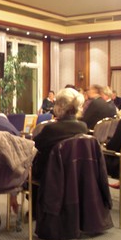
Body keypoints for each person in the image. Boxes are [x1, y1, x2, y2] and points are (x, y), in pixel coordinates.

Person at [32, 88, 88, 216]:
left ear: (59, 106)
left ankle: (36, 209)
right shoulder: (83, 127)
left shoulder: (50, 129)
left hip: (51, 173)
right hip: (75, 171)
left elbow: (35, 146)